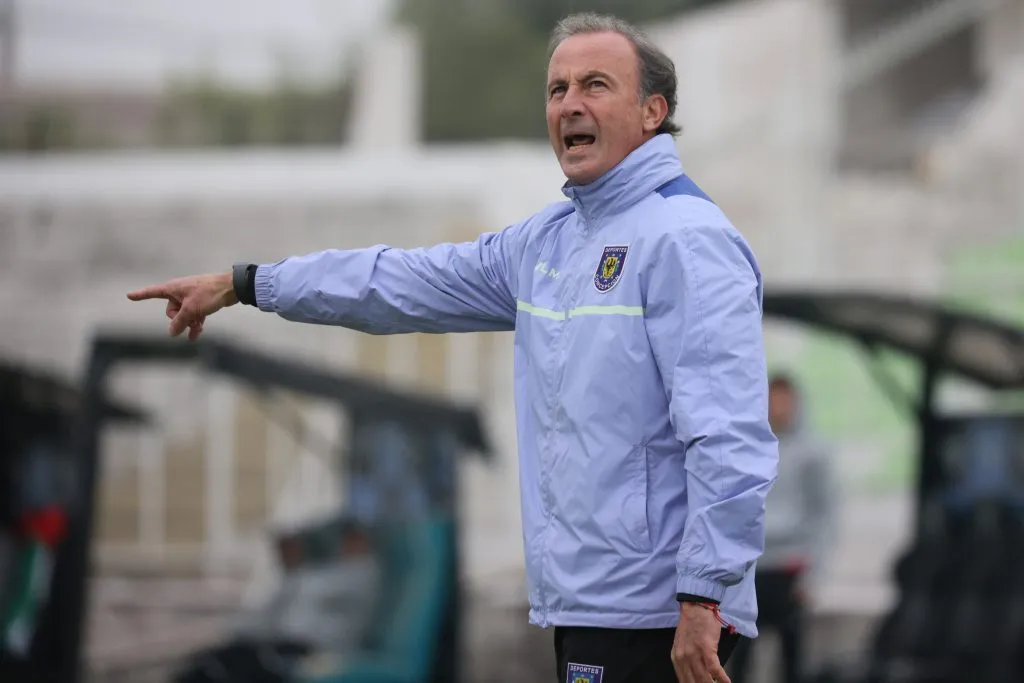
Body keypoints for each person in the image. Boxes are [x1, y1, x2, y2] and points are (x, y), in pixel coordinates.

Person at [127, 12, 778, 683]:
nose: (570, 104)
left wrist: (703, 594)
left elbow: (728, 437)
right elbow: (397, 281)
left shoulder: (687, 239)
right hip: (593, 605)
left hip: (661, 614)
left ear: (652, 111)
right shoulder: (547, 243)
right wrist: (249, 283)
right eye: (556, 90)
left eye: (594, 85)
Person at [727, 373, 838, 683]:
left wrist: (815, 572)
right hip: (752, 567)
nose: (778, 407)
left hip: (791, 565)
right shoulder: (747, 449)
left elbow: (825, 515)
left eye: (784, 399)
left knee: (791, 657)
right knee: (742, 653)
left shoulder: (813, 452)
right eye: (772, 398)